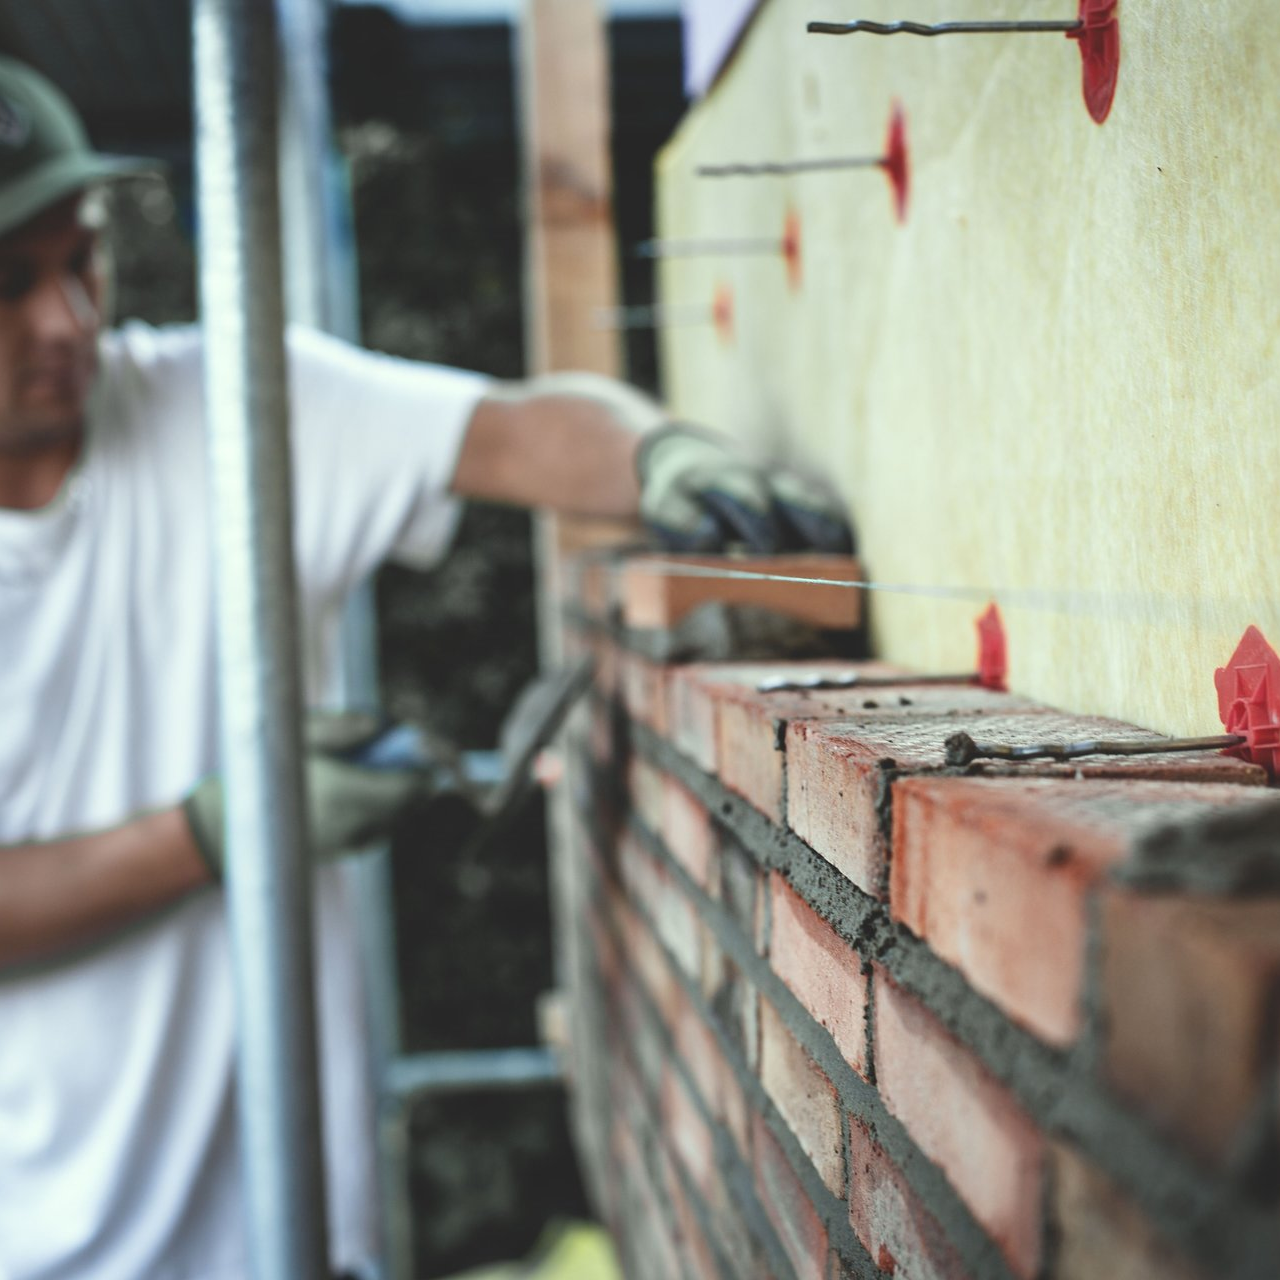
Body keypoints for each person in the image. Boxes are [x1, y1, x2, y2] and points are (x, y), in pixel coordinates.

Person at [0, 56, 851, 1280]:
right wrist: (223, 826)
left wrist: (659, 456)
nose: (67, 320)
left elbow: (516, 428)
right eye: (9, 282)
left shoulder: (231, 406)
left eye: (82, 258)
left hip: (300, 1239)